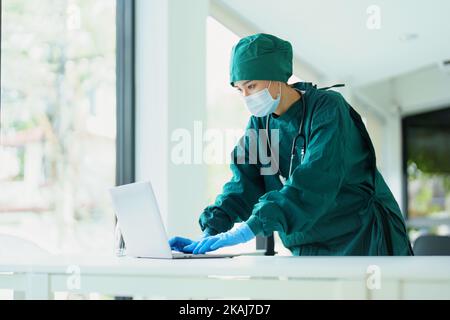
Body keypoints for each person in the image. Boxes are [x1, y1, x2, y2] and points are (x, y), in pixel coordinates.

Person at [169, 33, 413, 256]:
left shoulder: (327, 109)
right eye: (239, 89)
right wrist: (213, 228)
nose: (246, 97)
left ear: (277, 77)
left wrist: (248, 229)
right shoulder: (260, 124)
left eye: (251, 86)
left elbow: (314, 181)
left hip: (361, 240)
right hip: (309, 248)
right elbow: (243, 183)